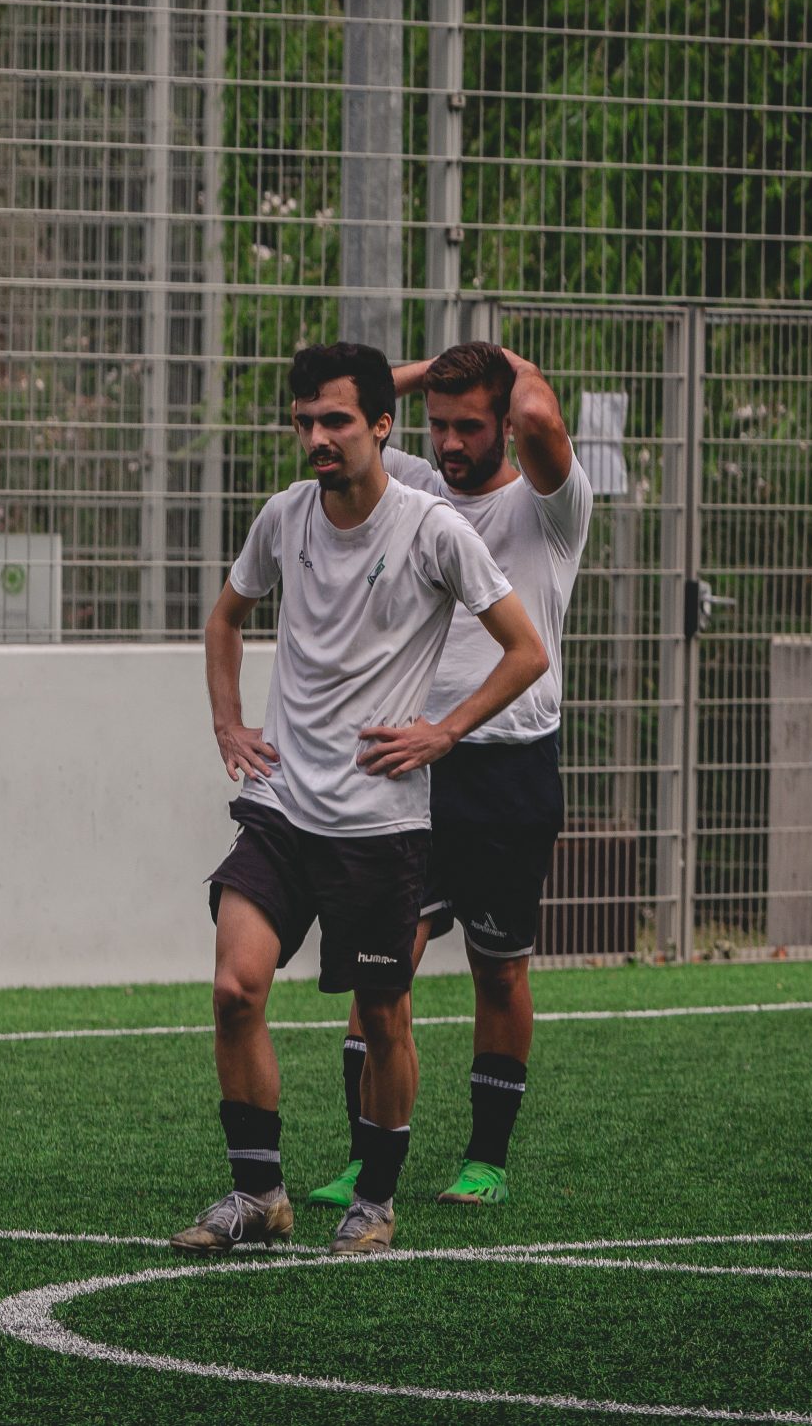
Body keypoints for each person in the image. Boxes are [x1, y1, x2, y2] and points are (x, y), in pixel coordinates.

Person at [175, 341, 546, 1258]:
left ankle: (374, 1200)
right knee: (234, 988)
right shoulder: (283, 517)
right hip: (281, 805)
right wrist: (229, 723)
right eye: (304, 420)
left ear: (381, 425)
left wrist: (443, 731)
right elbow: (225, 617)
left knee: (384, 1014)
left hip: (379, 824)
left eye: (335, 419)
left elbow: (526, 650)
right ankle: (258, 1193)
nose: (316, 437)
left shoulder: (432, 529)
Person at [308, 341, 588, 1212]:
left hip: (510, 768)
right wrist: (422, 372)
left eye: (472, 425)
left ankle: (486, 1157)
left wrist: (496, 358)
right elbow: (340, 416)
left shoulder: (554, 505)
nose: (452, 443)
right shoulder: (416, 489)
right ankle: (367, 1155)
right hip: (409, 769)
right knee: (378, 969)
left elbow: (541, 415)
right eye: (439, 425)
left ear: (504, 419)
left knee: (499, 970)